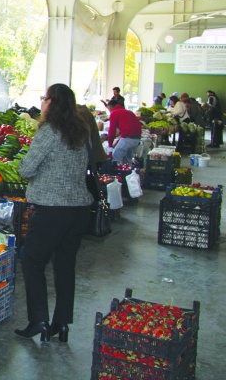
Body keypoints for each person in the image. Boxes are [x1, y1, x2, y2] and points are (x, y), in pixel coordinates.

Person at [15, 84, 93, 343]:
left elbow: (26, 170)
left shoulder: (49, 132)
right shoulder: (80, 131)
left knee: (32, 260)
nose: (42, 103)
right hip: (79, 209)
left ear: (51, 103)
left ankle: (39, 320)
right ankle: (62, 323)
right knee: (64, 264)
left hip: (52, 210)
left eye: (44, 98)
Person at [106, 99, 143, 164]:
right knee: (128, 159)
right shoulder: (128, 112)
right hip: (137, 138)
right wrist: (116, 142)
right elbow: (127, 130)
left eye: (109, 110)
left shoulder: (114, 113)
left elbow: (112, 130)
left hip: (128, 138)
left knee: (116, 157)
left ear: (111, 108)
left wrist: (110, 145)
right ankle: (128, 172)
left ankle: (114, 172)